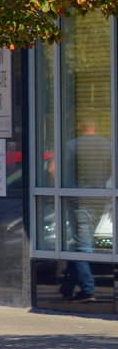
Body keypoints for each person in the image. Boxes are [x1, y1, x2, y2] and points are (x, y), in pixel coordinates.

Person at [59, 118, 112, 301]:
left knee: (82, 246)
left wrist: (55, 194)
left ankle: (88, 289)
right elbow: (110, 171)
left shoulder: (72, 145)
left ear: (79, 126)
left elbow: (54, 170)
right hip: (100, 199)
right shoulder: (108, 145)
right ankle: (67, 288)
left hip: (81, 201)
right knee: (78, 244)